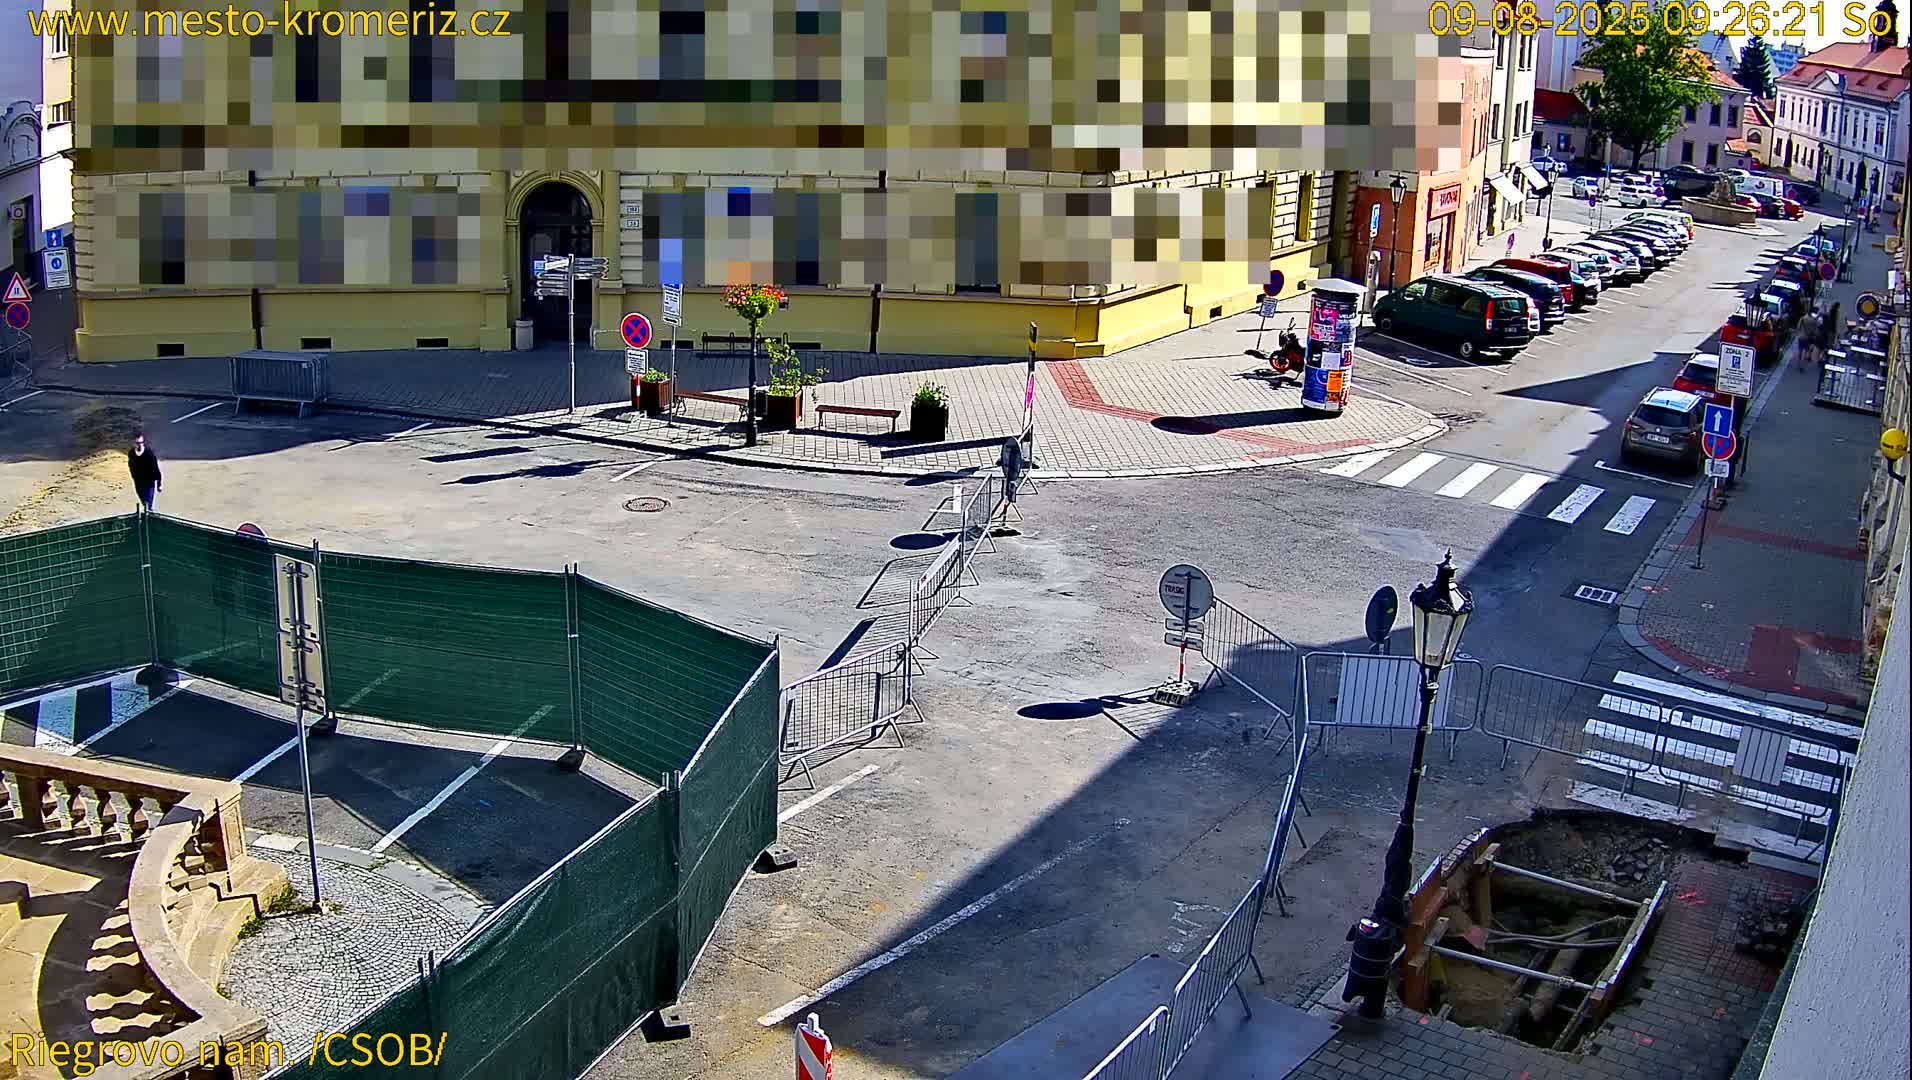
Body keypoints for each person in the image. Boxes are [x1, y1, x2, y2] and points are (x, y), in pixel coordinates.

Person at [128, 433, 162, 512]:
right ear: (134, 443)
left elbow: (155, 468)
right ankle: (149, 514)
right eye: (137, 443)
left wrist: (159, 484)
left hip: (149, 483)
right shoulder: (131, 453)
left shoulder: (148, 453)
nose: (139, 445)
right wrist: (134, 477)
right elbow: (130, 466)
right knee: (144, 502)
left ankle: (150, 516)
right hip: (139, 483)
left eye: (141, 443)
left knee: (148, 504)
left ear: (143, 443)